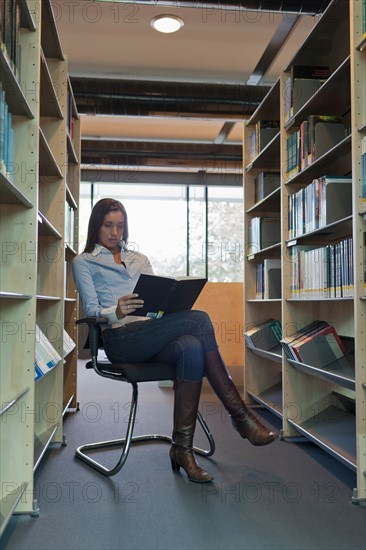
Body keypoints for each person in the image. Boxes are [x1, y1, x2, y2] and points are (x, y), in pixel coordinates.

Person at [72, 198, 278, 483]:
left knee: (191, 347)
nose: (114, 232)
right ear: (96, 226)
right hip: (120, 339)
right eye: (108, 225)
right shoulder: (84, 262)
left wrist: (167, 306)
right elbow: (91, 310)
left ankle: (182, 449)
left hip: (150, 333)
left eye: (120, 226)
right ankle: (241, 417)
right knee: (200, 319)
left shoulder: (139, 260)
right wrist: (115, 310)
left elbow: (156, 302)